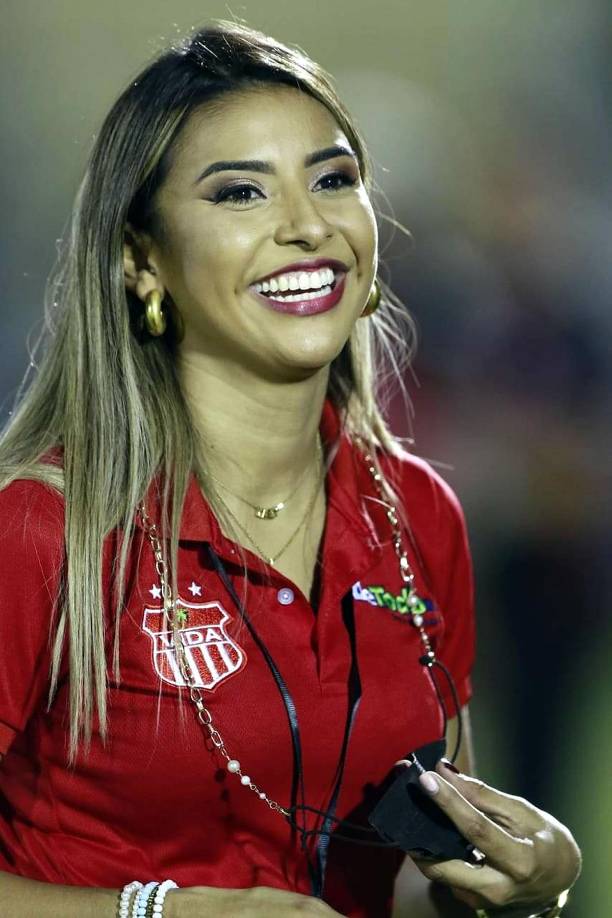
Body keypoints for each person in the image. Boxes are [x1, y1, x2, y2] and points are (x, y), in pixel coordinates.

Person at [0, 18, 581, 918]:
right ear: (140, 258)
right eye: (240, 193)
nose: (306, 225)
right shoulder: (39, 530)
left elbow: (417, 876)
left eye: (334, 179)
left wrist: (524, 874)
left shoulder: (420, 515)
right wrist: (163, 912)